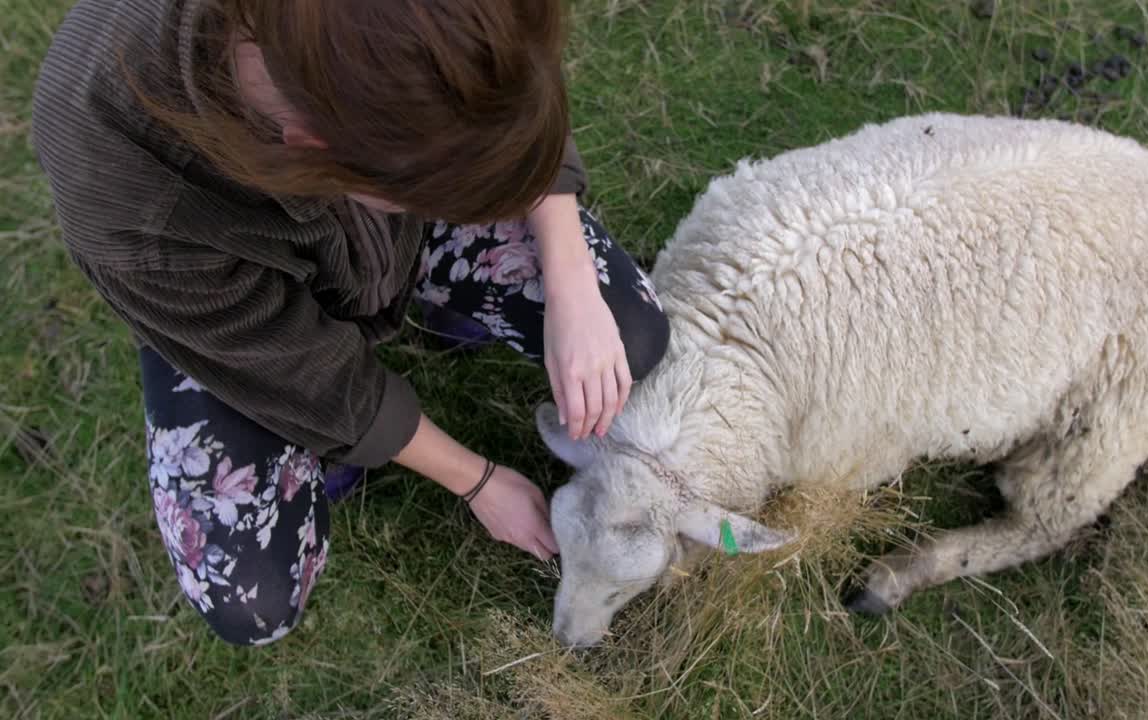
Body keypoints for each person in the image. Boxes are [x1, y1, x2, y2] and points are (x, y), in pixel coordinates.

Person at [30, 0, 670, 646]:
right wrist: (476, 480)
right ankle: (297, 423)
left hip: (387, 190)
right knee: (253, 596)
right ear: (317, 158)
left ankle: (431, 282)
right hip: (222, 314)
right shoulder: (131, 191)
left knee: (630, 335)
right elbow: (311, 380)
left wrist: (570, 283)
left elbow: (509, 83)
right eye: (453, 205)